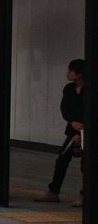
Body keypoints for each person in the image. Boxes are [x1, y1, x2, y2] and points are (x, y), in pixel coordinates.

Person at [35, 58, 86, 204]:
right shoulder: (69, 89)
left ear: (80, 74)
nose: (68, 74)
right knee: (62, 159)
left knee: (86, 164)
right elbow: (65, 108)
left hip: (88, 131)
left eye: (71, 71)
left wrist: (82, 128)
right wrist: (72, 122)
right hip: (72, 130)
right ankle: (53, 192)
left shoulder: (92, 89)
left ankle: (85, 194)